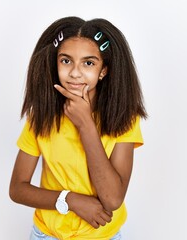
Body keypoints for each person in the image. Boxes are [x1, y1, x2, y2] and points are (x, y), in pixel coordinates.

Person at [9, 16, 147, 240]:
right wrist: (69, 200)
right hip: (47, 234)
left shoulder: (125, 118)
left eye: (89, 63)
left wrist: (86, 124)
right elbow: (17, 188)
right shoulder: (41, 116)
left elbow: (112, 199)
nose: (75, 72)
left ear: (103, 70)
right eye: (66, 61)